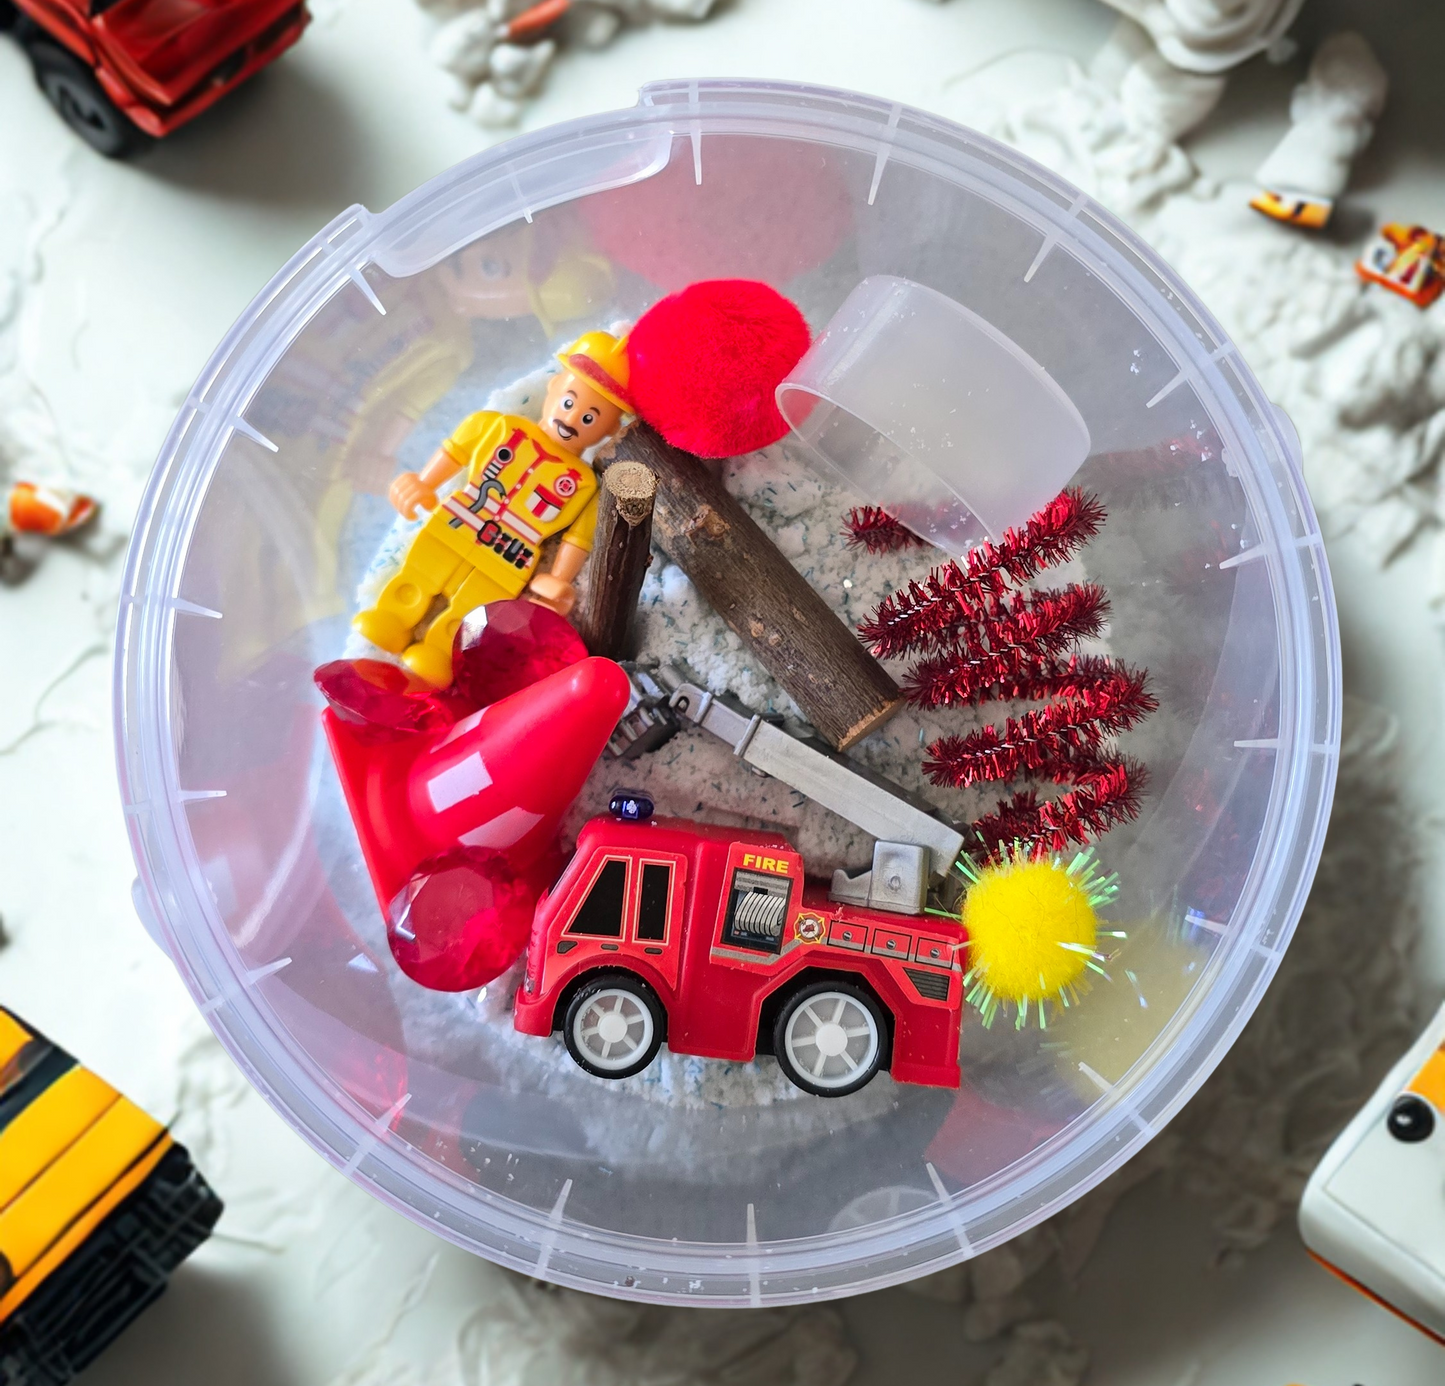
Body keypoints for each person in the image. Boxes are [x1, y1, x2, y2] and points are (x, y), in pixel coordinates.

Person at [352, 331, 630, 687]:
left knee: (469, 612)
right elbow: (456, 451)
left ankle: (439, 653)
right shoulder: (497, 426)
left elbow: (579, 538)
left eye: (590, 418)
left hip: (508, 559)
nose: (573, 419)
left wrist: (559, 579)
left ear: (610, 429)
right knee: (418, 576)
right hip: (455, 525)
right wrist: (422, 482)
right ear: (555, 386)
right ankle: (390, 618)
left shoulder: (585, 485)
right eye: (569, 402)